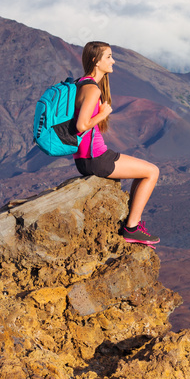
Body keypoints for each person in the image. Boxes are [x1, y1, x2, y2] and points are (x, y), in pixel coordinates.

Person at [73, 41, 160, 245]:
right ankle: (131, 228)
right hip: (95, 158)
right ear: (96, 61)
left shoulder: (81, 83)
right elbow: (81, 125)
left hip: (86, 158)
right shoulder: (92, 89)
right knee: (152, 171)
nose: (113, 61)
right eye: (109, 57)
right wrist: (102, 114)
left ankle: (133, 224)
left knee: (144, 171)